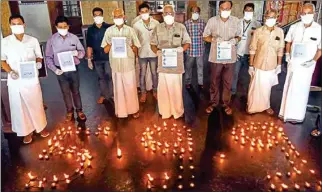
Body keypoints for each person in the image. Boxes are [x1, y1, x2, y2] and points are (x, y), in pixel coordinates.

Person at [1, 14, 49, 144]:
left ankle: (41, 128)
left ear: (24, 25)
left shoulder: (32, 41)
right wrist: (10, 72)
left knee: (36, 103)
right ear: (10, 26)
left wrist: (39, 63)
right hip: (16, 80)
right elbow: (3, 61)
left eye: (19, 23)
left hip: (31, 78)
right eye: (14, 24)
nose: (17, 26)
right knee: (20, 107)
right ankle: (27, 132)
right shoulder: (5, 42)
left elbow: (39, 56)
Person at [279, 3, 321, 123]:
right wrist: (287, 55)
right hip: (293, 62)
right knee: (289, 86)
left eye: (308, 13)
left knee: (301, 89)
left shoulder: (318, 29)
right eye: (303, 13)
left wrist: (313, 61)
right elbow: (288, 42)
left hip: (307, 66)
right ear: (300, 14)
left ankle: (297, 116)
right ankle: (284, 113)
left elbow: (320, 49)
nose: (306, 15)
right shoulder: (295, 27)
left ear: (314, 13)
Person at [151, 5, 191, 119]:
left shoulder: (181, 27)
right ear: (162, 15)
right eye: (166, 13)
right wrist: (157, 52)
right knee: (163, 89)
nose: (168, 15)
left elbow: (187, 42)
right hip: (163, 64)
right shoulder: (157, 28)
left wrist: (182, 49)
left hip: (176, 64)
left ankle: (177, 111)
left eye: (170, 13)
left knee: (176, 88)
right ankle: (165, 111)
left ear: (174, 14)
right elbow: (153, 44)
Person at [101, 8, 141, 118]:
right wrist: (112, 43)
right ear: (113, 18)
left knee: (130, 87)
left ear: (124, 17)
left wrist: (131, 45)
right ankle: (121, 111)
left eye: (120, 16)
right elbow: (105, 49)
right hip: (116, 64)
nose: (118, 18)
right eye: (116, 17)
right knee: (118, 89)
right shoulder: (109, 31)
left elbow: (136, 47)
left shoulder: (130, 30)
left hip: (128, 63)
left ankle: (133, 110)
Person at [203, 1, 241, 115]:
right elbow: (205, 36)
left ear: (231, 9)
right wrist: (214, 39)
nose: (225, 11)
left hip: (230, 57)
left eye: (227, 9)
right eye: (223, 9)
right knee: (214, 81)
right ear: (219, 9)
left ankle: (225, 103)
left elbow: (239, 35)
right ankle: (214, 103)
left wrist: (235, 40)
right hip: (216, 57)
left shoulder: (236, 21)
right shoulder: (212, 21)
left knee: (228, 82)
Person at [45, 16, 86, 122]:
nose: (63, 28)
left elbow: (82, 52)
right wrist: (55, 69)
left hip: (73, 69)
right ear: (56, 27)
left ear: (68, 26)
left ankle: (79, 110)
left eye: (65, 26)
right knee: (65, 92)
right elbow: (48, 57)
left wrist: (77, 53)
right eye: (60, 27)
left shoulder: (74, 38)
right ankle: (69, 111)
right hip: (60, 70)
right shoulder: (51, 40)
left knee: (76, 91)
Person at [247, 9, 284, 115]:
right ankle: (252, 106)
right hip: (259, 64)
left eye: (273, 17)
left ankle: (266, 106)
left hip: (272, 65)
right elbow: (252, 48)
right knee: (255, 87)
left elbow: (280, 49)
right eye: (268, 17)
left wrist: (279, 65)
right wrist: (251, 65)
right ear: (265, 18)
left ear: (276, 18)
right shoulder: (258, 31)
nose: (270, 19)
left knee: (267, 88)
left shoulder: (279, 32)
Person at [232, 3, 261, 97]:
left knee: (249, 76)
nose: (248, 12)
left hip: (250, 56)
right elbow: (233, 37)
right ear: (243, 11)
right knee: (234, 74)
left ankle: (248, 94)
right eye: (246, 10)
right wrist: (233, 52)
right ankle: (232, 92)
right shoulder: (237, 22)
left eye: (250, 10)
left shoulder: (257, 24)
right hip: (238, 53)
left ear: (253, 12)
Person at [133, 3, 159, 102]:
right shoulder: (136, 25)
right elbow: (134, 41)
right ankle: (143, 93)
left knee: (154, 73)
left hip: (153, 53)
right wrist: (136, 54)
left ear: (149, 11)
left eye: (146, 11)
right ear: (139, 13)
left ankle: (155, 91)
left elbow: (158, 38)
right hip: (142, 53)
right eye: (142, 12)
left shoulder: (156, 23)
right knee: (142, 74)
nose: (144, 13)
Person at [86, 7, 113, 104]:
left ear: (103, 15)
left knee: (109, 76)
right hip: (97, 58)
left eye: (99, 15)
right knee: (101, 77)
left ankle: (112, 95)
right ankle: (103, 95)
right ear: (93, 16)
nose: (97, 17)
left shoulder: (109, 28)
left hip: (108, 57)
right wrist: (89, 59)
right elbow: (89, 45)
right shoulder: (90, 30)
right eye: (95, 15)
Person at [184, 6, 206, 89]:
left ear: (199, 13)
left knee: (200, 67)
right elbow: (184, 37)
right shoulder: (186, 23)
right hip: (190, 50)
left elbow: (206, 35)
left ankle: (200, 83)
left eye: (196, 12)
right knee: (188, 67)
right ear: (190, 13)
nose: (195, 13)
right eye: (193, 12)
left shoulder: (203, 23)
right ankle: (187, 82)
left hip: (200, 49)